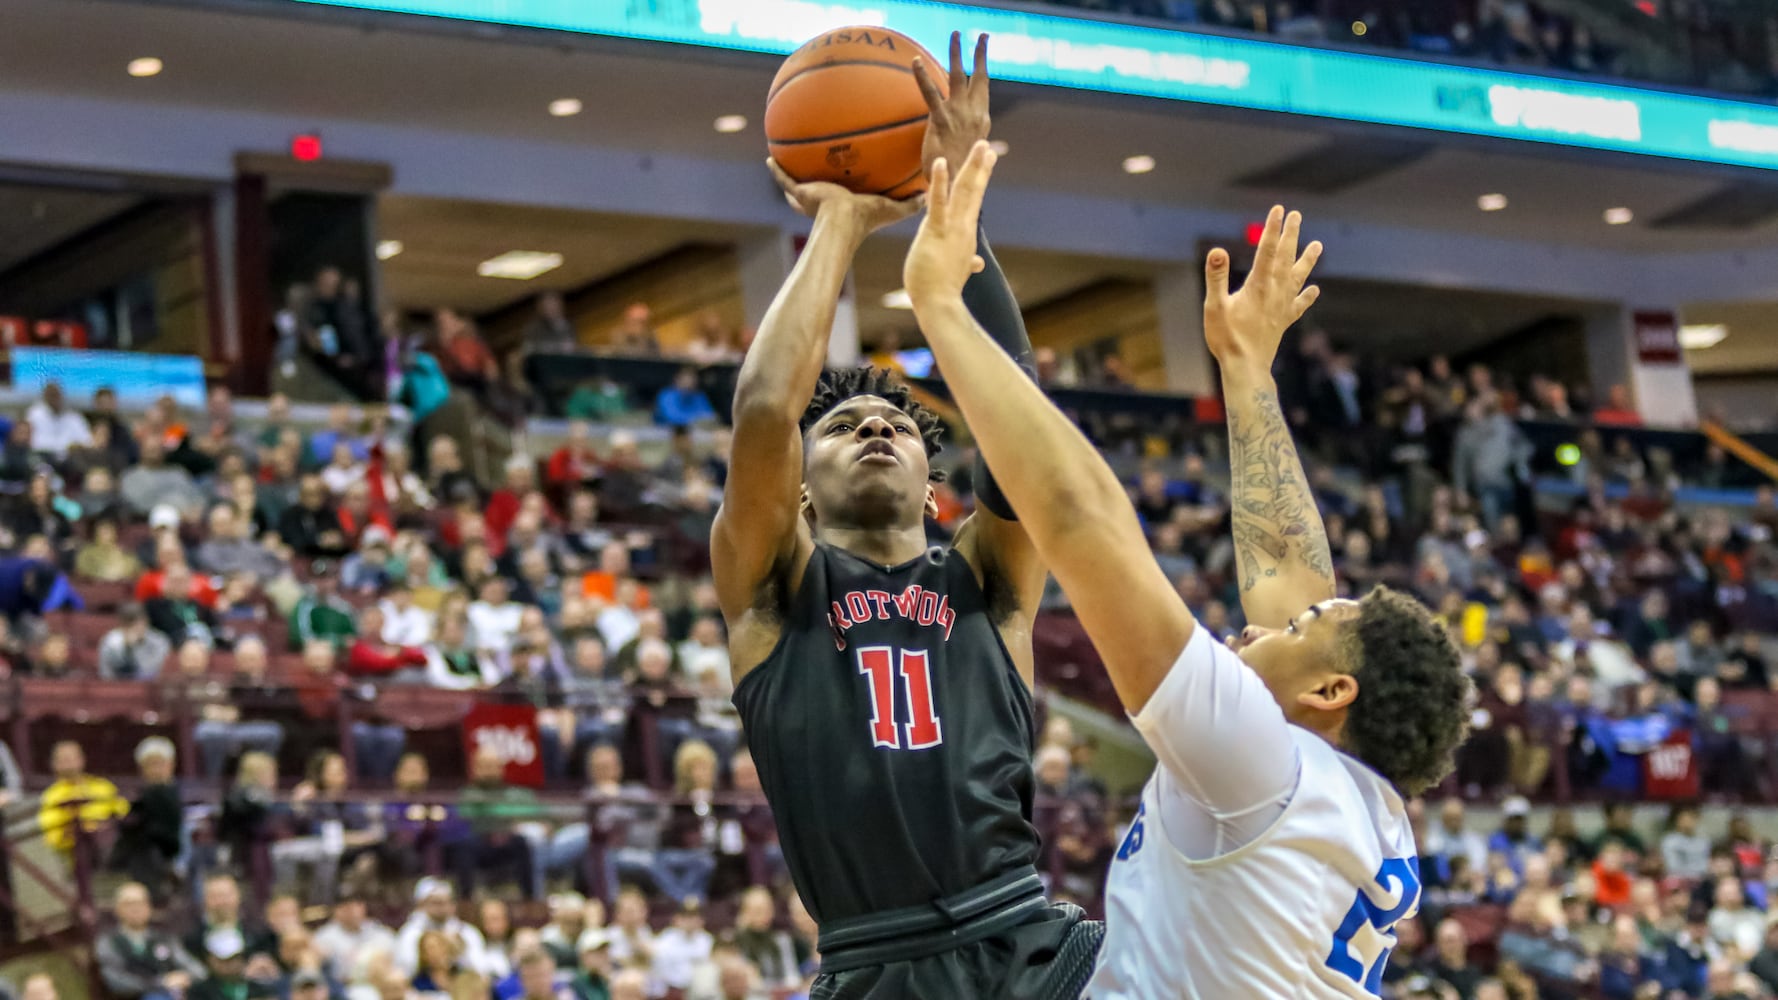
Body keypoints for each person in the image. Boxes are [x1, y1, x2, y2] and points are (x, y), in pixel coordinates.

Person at [899, 143, 1469, 997]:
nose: (1270, 622)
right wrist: (1246, 371)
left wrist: (940, 309)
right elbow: (1288, 567)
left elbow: (1082, 518)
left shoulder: (1261, 763)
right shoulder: (1359, 805)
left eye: (1302, 630)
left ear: (1330, 694)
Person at [713, 35, 1097, 1000]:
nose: (877, 425)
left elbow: (1018, 410)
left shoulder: (990, 582)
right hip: (871, 962)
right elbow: (765, 412)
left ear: (938, 483)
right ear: (801, 487)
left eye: (896, 422)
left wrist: (951, 197)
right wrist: (841, 222)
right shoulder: (773, 588)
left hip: (1029, 943)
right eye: (843, 425)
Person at [97, 882, 205, 1000]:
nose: (135, 908)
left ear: (149, 907)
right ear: (117, 909)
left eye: (141, 903)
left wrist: (183, 977)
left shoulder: (164, 938)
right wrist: (158, 983)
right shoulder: (108, 942)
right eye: (129, 904)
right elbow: (114, 980)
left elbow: (198, 971)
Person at [38, 740, 129, 862]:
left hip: (109, 842)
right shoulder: (51, 796)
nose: (69, 762)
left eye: (73, 757)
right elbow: (52, 834)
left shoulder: (101, 786)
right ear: (54, 764)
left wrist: (107, 824)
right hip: (74, 852)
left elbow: (124, 810)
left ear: (82, 759)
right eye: (64, 758)